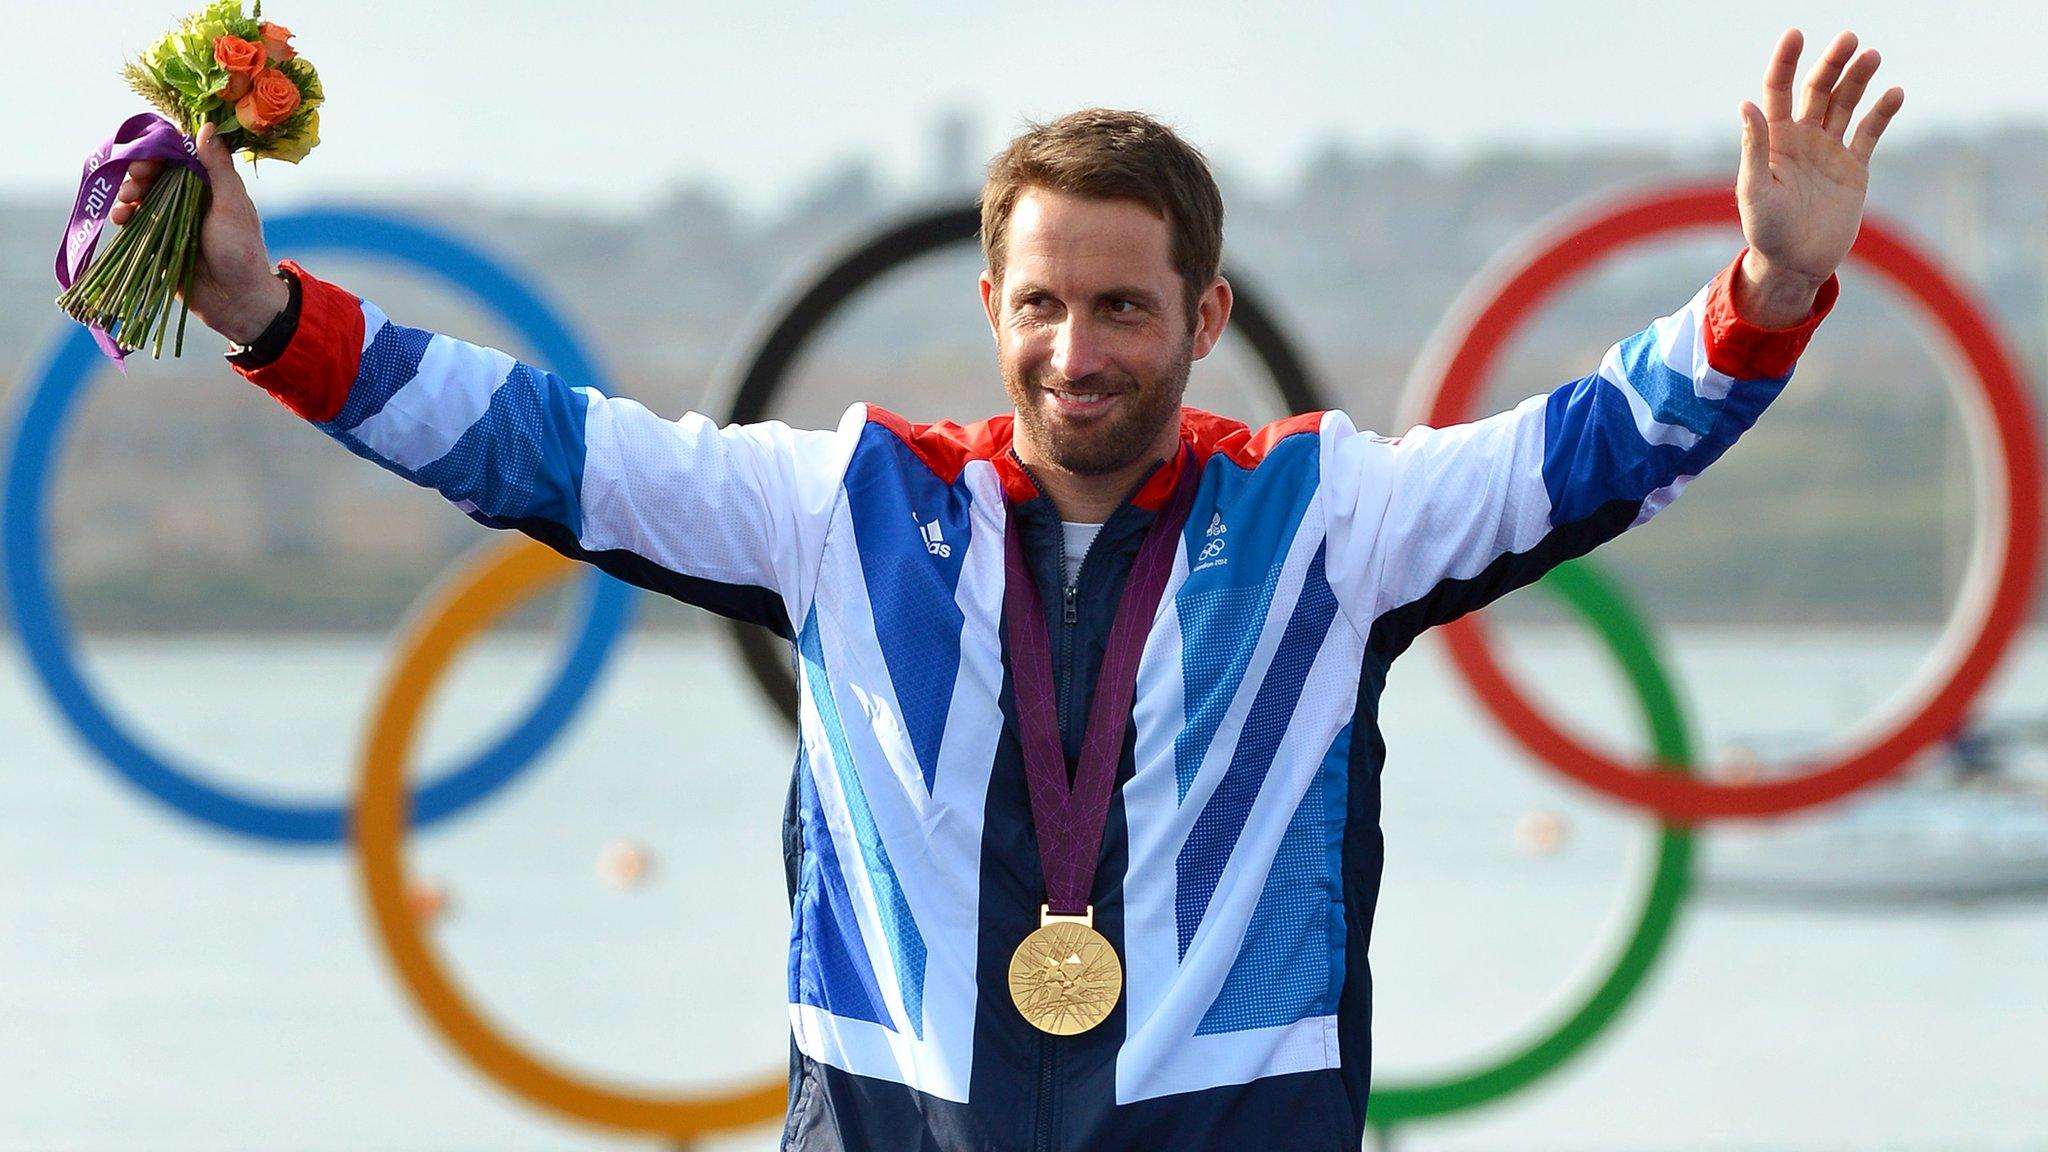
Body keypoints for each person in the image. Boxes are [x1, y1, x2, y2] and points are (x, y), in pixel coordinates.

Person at [113, 27, 1902, 1151]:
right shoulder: (842, 506)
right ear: (992, 309)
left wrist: (1763, 288)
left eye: (1125, 306)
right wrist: (278, 320)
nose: (1078, 348)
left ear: (1206, 319)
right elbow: (543, 449)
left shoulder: (1328, 525)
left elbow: (1587, 448)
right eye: (1042, 303)